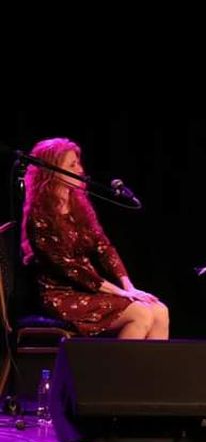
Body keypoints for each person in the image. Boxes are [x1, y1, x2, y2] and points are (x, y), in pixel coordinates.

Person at [21, 138, 169, 339]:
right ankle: (119, 371)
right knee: (140, 314)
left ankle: (151, 371)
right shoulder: (39, 217)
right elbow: (72, 270)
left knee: (159, 310)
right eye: (72, 165)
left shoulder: (78, 205)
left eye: (78, 163)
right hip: (61, 295)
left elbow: (104, 246)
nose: (80, 170)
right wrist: (121, 293)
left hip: (88, 289)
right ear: (53, 171)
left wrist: (129, 286)